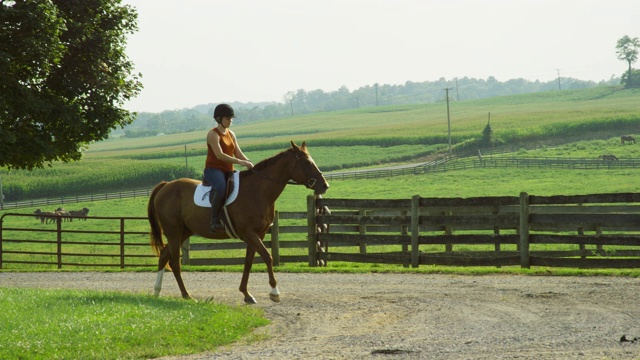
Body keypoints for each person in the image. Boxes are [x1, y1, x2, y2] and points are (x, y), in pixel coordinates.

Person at [203, 104, 253, 232]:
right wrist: (240, 162)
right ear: (219, 119)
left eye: (231, 118)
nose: (230, 121)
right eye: (227, 118)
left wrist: (248, 162)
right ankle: (214, 221)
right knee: (221, 187)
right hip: (213, 170)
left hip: (228, 170)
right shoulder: (213, 135)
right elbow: (220, 155)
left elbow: (238, 152)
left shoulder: (231, 134)